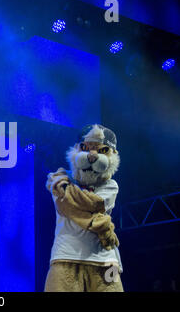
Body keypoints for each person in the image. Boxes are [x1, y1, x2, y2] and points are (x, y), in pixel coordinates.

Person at [44, 124, 123, 292]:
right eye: (86, 148)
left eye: (102, 151)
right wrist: (100, 222)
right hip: (65, 257)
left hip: (107, 261)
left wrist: (67, 190)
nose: (92, 155)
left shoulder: (111, 186)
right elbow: (65, 205)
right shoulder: (56, 178)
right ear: (76, 151)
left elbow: (92, 204)